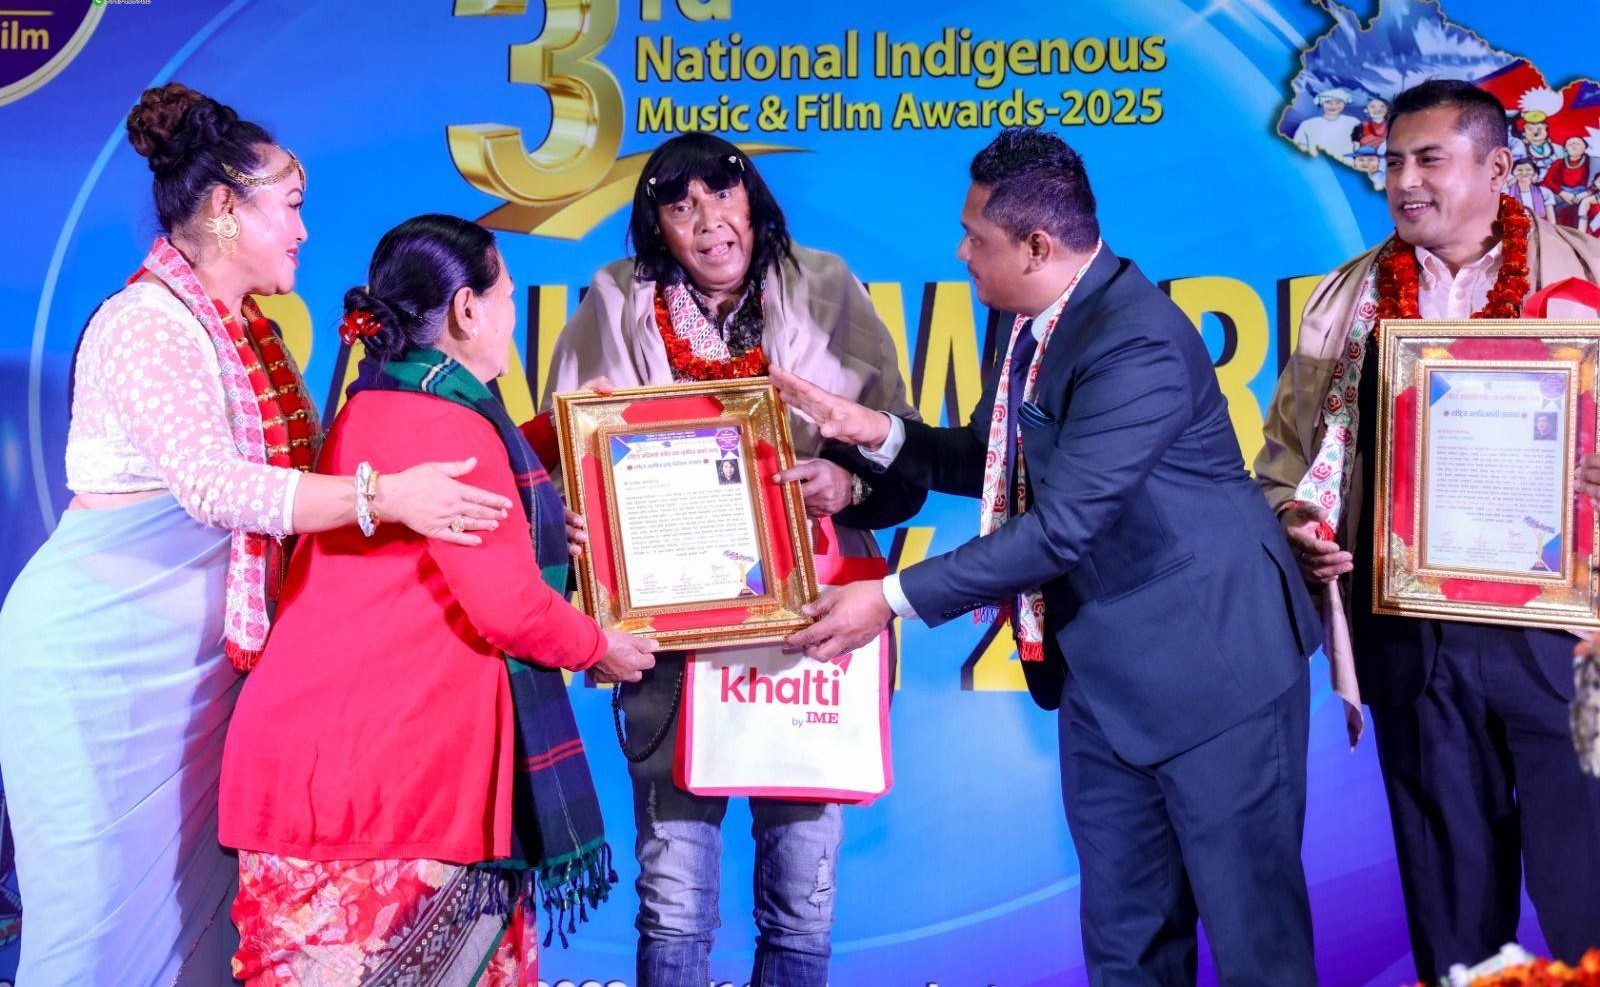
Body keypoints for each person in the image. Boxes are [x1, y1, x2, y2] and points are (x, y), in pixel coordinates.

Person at [774, 126, 1322, 985]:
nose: (960, 253)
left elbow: (1061, 527)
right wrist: (873, 431)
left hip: (1216, 668)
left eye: (975, 238)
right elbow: (997, 459)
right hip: (1104, 675)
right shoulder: (1025, 314)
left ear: (1036, 246)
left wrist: (887, 599)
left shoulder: (1134, 339)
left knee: (1258, 947)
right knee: (1127, 941)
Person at [0, 84, 510, 987]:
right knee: (93, 924)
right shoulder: (145, 324)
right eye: (292, 205)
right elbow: (216, 486)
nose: (305, 231)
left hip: (204, 676)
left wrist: (537, 452)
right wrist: (385, 495)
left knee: (196, 928)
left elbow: (316, 469)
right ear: (225, 208)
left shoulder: (248, 335)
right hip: (103, 665)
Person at [219, 214, 658, 984]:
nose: (512, 314)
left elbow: (481, 471)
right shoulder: (448, 420)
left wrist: (560, 432)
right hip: (385, 788)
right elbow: (511, 608)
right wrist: (605, 647)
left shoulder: (383, 399)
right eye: (509, 296)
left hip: (330, 770)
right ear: (466, 309)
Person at [542, 131, 925, 987]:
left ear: (754, 201)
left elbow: (903, 465)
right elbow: (568, 465)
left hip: (809, 630)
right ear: (657, 226)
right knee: (674, 899)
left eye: (722, 195)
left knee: (801, 899)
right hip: (672, 644)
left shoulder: (828, 288)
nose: (708, 220)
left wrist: (847, 485)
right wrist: (577, 527)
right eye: (681, 207)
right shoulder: (614, 301)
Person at [1256, 79, 1600, 981]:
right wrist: (1298, 521)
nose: (1404, 181)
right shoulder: (1345, 299)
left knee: (1590, 891)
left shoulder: (1586, 278)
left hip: (1567, 639)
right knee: (1451, 905)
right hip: (1413, 638)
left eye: (1429, 160)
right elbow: (1286, 457)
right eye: (1393, 161)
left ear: (1498, 167)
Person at [1293, 87, 1361, 161]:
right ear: (1322, 103)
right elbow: (1298, 151)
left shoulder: (1354, 122)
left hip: (1347, 165)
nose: (1333, 106)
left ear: (1344, 104)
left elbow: (1361, 148)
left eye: (1338, 102)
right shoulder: (1307, 124)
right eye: (1328, 102)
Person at [1509, 157, 1558, 223]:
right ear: (1513, 172)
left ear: (1534, 172)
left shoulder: (1545, 193)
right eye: (1519, 170)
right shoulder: (1506, 193)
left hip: (1540, 227)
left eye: (1528, 170)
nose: (1524, 173)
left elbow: (1551, 222)